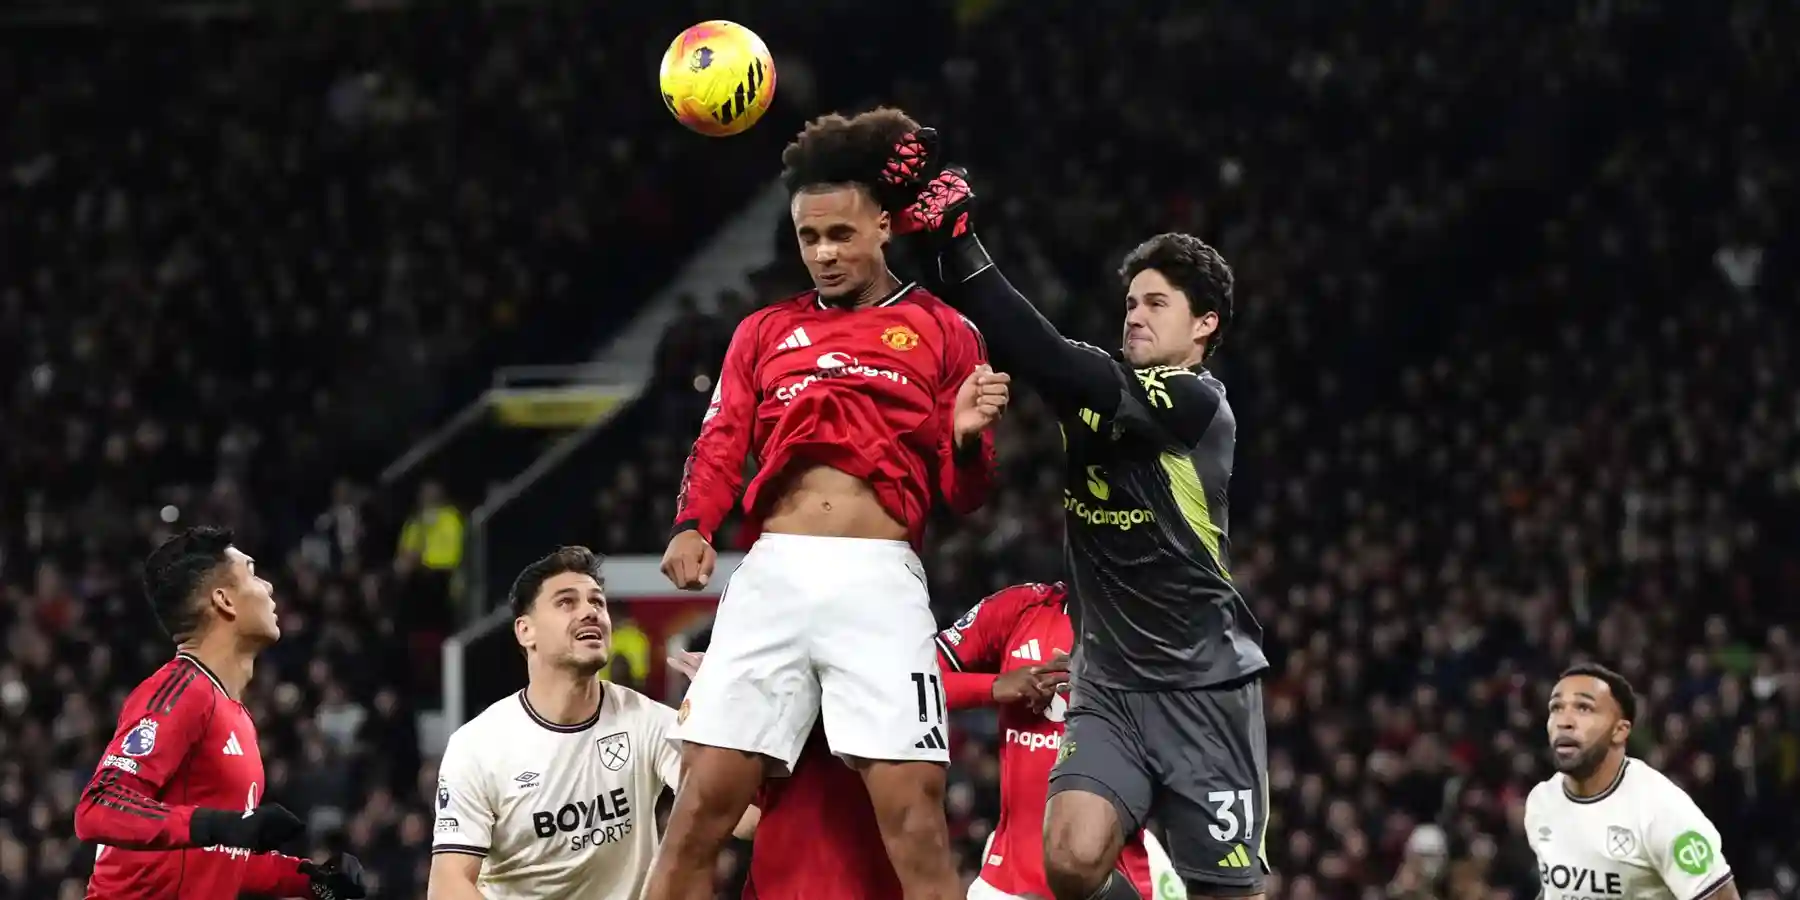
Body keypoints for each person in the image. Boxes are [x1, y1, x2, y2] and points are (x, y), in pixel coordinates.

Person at [885, 139, 1270, 900]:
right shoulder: (1099, 388)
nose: (1135, 314)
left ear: (1204, 326)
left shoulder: (1197, 405)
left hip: (1204, 689)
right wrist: (923, 240)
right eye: (1130, 302)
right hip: (1109, 685)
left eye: (1156, 302)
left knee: (1229, 894)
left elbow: (1047, 355)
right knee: (1068, 861)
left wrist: (962, 241)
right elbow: (1021, 345)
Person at [648, 107, 1009, 900]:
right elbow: (722, 440)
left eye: (840, 235)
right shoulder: (761, 332)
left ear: (883, 226)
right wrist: (691, 523)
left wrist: (971, 436)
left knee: (916, 826)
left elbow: (965, 495)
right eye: (809, 239)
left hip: (879, 580)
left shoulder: (946, 331)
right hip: (772, 577)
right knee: (697, 814)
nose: (823, 254)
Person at [74, 526, 365, 900]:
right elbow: (98, 806)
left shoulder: (235, 715)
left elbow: (216, 858)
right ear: (224, 600)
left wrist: (310, 878)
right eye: (253, 573)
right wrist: (220, 824)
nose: (269, 587)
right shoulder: (180, 691)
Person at [429, 546, 683, 900]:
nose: (591, 612)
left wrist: (731, 714)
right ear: (525, 631)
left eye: (598, 602)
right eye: (567, 602)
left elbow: (743, 816)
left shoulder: (646, 720)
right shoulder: (477, 746)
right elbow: (448, 885)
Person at [935, 582, 1180, 900]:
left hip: (1115, 882)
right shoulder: (1021, 608)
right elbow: (916, 679)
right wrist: (994, 686)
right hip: (1007, 884)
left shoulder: (1152, 629)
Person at [1524, 663, 1739, 900]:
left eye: (1584, 708)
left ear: (1620, 730)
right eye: (1556, 707)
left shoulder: (1662, 811)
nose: (1564, 721)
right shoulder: (1541, 801)